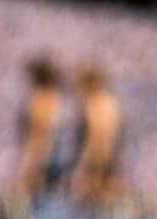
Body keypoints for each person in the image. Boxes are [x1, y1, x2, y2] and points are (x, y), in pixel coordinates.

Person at [13, 57, 74, 197]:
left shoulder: (38, 102)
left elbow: (37, 139)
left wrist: (28, 171)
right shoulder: (57, 99)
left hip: (42, 162)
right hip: (60, 161)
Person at [72, 65, 123, 202]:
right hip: (109, 158)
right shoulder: (112, 103)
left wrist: (86, 165)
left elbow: (96, 139)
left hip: (97, 161)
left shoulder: (94, 105)